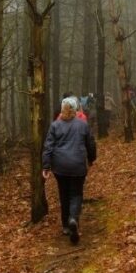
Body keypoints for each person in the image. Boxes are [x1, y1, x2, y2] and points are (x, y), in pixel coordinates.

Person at [42, 97, 97, 244]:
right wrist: (92, 159)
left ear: (62, 109)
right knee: (76, 194)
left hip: (60, 167)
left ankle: (66, 226)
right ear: (75, 109)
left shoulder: (55, 126)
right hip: (78, 165)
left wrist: (46, 166)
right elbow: (91, 143)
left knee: (64, 194)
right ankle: (73, 218)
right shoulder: (82, 124)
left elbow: (48, 147)